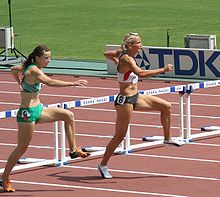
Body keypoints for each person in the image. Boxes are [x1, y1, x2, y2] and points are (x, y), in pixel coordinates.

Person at [0, 45, 90, 192]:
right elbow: (50, 82)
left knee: (68, 115)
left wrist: (19, 84)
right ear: (37, 58)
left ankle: (73, 150)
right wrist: (73, 83)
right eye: (46, 58)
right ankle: (4, 178)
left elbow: (13, 70)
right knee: (21, 148)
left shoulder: (27, 67)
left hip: (39, 109)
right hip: (27, 112)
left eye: (50, 57)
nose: (49, 60)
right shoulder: (34, 69)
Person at [98, 32, 183, 179]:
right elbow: (141, 74)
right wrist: (163, 70)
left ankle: (167, 138)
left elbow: (106, 53)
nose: (141, 45)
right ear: (130, 45)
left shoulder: (121, 54)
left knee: (166, 106)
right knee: (119, 136)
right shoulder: (126, 58)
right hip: (125, 101)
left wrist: (114, 60)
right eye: (138, 43)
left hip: (136, 97)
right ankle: (103, 164)